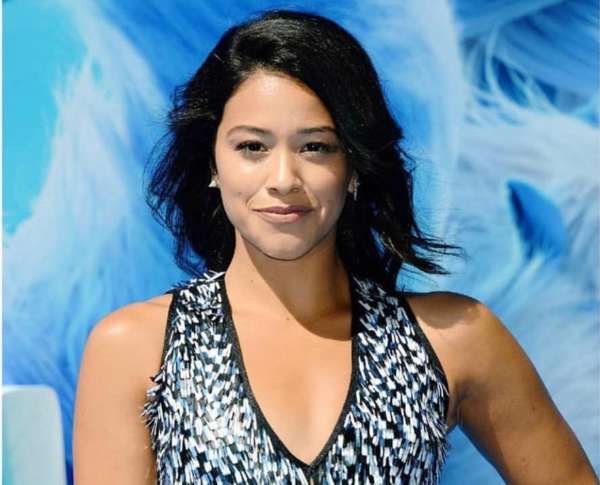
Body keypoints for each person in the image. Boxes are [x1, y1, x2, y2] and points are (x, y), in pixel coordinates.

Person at [72, 8, 598, 485]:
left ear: (354, 167)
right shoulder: (133, 348)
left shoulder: (456, 339)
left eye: (315, 147)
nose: (283, 179)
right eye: (252, 147)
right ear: (213, 164)